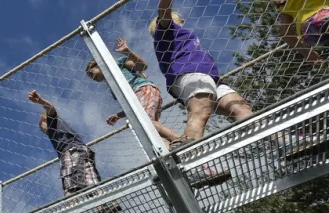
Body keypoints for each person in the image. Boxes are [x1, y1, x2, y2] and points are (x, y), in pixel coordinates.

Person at [150, 1, 254, 187]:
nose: (183, 19)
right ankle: (191, 167)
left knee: (241, 107)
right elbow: (163, 12)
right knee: (200, 113)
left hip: (211, 77)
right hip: (190, 72)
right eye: (178, 17)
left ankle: (281, 141)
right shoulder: (165, 31)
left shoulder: (178, 34)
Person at [28, 90, 122, 213]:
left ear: (45, 120)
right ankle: (88, 211)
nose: (42, 129)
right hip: (74, 152)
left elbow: (51, 109)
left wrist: (40, 101)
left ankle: (100, 206)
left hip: (72, 151)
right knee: (79, 182)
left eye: (41, 125)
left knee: (78, 182)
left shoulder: (54, 123)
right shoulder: (54, 131)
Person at [85, 37, 181, 145]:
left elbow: (142, 66)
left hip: (143, 89)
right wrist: (118, 115)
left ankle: (178, 139)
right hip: (138, 98)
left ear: (98, 64)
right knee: (150, 129)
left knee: (146, 123)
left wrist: (127, 52)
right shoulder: (113, 88)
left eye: (91, 73)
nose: (92, 77)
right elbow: (129, 106)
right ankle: (170, 147)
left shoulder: (118, 65)